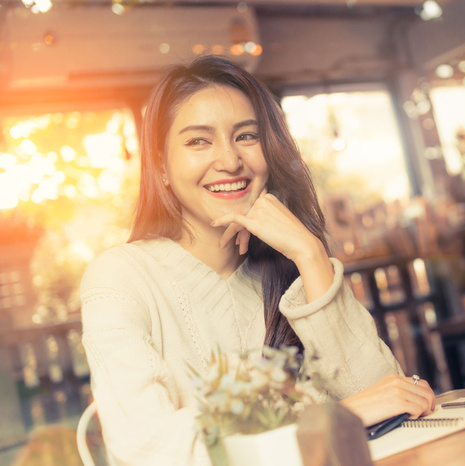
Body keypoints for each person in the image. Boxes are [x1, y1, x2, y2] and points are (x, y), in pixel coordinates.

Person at [80, 54, 436, 465]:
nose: (230, 161)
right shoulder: (120, 277)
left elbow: (392, 401)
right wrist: (336, 417)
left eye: (246, 136)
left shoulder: (290, 268)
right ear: (160, 164)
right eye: (199, 140)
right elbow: (146, 448)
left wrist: (311, 255)